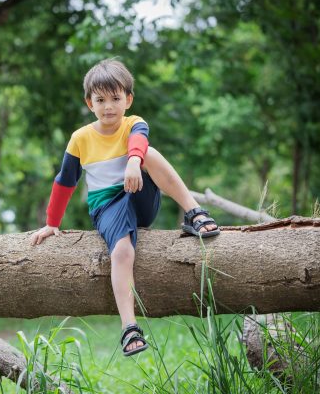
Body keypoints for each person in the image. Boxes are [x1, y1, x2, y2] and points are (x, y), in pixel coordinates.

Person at [30, 58, 220, 357]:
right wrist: (52, 222)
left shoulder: (135, 123)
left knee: (149, 153)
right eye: (100, 100)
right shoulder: (80, 138)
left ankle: (194, 212)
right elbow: (65, 181)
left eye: (116, 98)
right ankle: (129, 326)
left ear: (128, 100)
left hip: (140, 196)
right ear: (89, 103)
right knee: (122, 251)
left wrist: (133, 161)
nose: (108, 106)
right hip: (107, 207)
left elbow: (139, 142)